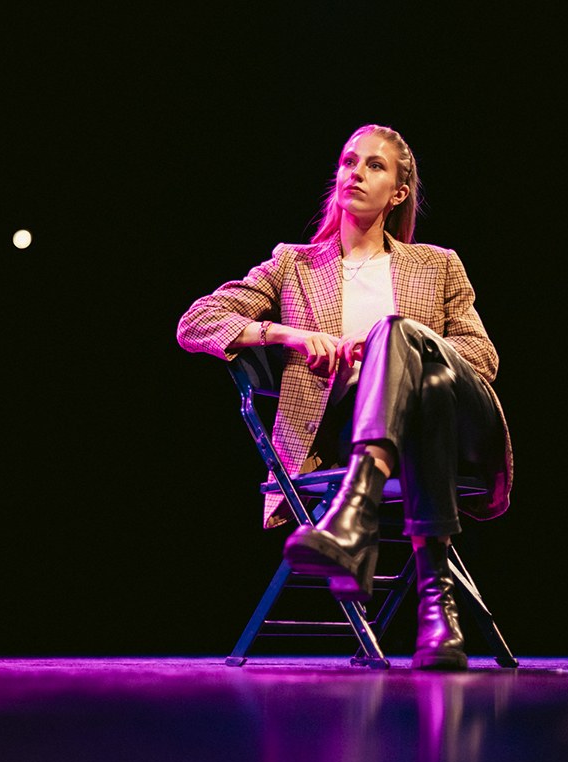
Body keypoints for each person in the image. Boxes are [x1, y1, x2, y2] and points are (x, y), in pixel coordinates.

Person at [176, 124, 512, 671]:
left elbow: (482, 359)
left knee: (402, 342)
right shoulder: (295, 265)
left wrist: (393, 344)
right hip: (346, 431)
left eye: (374, 166)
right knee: (416, 387)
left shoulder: (437, 265)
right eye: (348, 161)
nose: (355, 172)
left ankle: (352, 519)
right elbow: (195, 322)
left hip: (457, 420)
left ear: (399, 192)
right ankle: (437, 615)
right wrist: (286, 333)